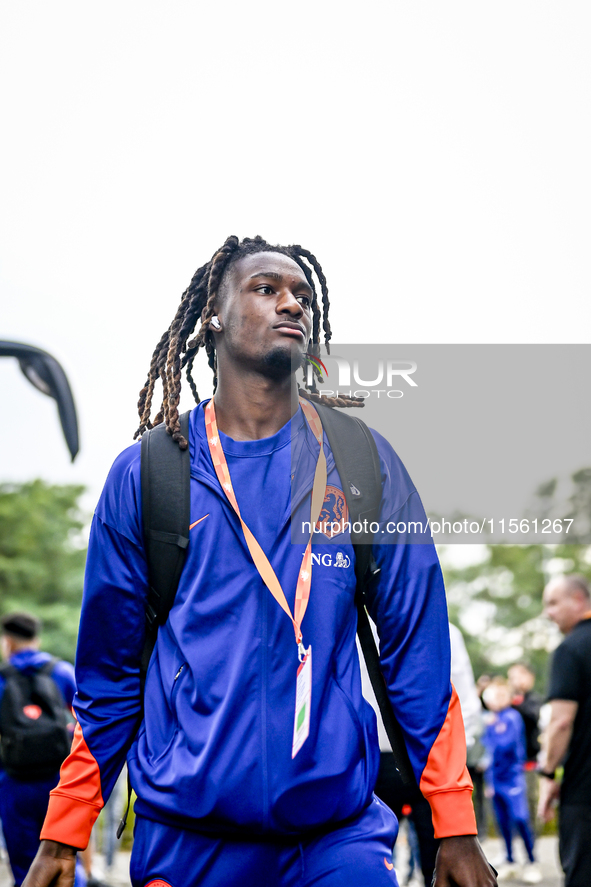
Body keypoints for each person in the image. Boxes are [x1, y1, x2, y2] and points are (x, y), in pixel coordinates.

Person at [24, 236, 496, 887]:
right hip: (188, 841)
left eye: (301, 294)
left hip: (335, 836)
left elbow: (417, 654)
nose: (290, 303)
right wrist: (62, 830)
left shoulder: (364, 463)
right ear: (214, 316)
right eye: (266, 289)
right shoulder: (150, 474)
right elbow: (107, 676)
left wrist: (455, 825)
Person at [0, 612, 85, 887]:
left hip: (14, 781)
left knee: (25, 865)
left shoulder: (2, 678)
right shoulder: (61, 671)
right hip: (61, 780)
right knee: (65, 855)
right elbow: (89, 720)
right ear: (36, 639)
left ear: (8, 642)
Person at [538, 574, 591, 887]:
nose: (548, 612)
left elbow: (560, 722)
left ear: (579, 600)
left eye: (554, 603)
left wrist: (548, 775)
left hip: (584, 793)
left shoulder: (570, 650)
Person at [481, 678, 540, 883]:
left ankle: (532, 861)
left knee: (521, 818)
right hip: (495, 779)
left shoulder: (512, 717)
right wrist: (489, 781)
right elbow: (486, 750)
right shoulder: (490, 720)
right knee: (502, 821)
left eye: (500, 695)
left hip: (513, 778)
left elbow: (504, 746)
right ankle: (509, 859)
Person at [508, 662, 542, 833]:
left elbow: (532, 716)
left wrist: (515, 702)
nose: (513, 681)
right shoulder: (508, 701)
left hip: (529, 759)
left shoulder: (533, 699)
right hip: (509, 762)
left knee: (530, 800)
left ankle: (532, 838)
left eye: (517, 676)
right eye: (511, 677)